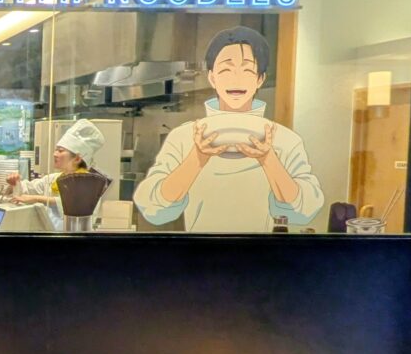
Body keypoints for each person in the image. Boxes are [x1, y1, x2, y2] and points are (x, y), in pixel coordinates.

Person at [133, 26, 323, 232]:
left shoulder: (285, 140)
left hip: (262, 251)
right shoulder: (184, 137)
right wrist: (197, 158)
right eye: (226, 70)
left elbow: (306, 211)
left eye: (247, 70)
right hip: (200, 250)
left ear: (260, 79)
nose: (236, 79)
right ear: (212, 77)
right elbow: (152, 208)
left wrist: (268, 159)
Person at [7, 119, 106, 230]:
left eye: (60, 150)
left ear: (77, 158)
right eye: (56, 150)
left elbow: (74, 204)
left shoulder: (90, 183)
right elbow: (27, 189)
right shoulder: (53, 179)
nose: (55, 154)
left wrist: (38, 199)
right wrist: (14, 182)